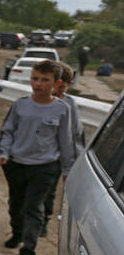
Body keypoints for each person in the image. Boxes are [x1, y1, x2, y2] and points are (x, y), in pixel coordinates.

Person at [0, 60, 76, 255]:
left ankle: (28, 250)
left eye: (44, 80)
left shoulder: (62, 109)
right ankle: (17, 233)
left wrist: (67, 169)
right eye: (35, 78)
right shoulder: (20, 105)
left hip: (45, 167)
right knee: (16, 204)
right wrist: (3, 152)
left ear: (57, 83)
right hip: (17, 164)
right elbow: (8, 131)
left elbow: (66, 141)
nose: (38, 84)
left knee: (34, 207)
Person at [41, 61, 84, 236]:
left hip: (57, 158)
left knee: (49, 191)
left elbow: (75, 135)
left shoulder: (70, 105)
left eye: (61, 87)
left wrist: (71, 163)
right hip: (38, 154)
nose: (57, 90)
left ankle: (43, 221)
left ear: (68, 85)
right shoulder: (40, 100)